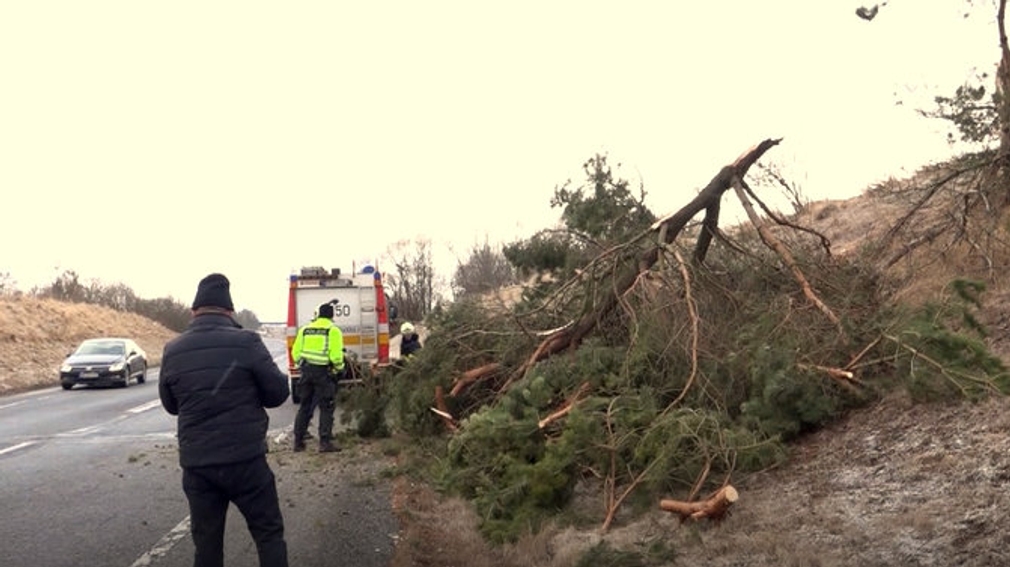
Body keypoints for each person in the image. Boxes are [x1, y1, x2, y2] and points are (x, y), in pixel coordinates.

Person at [159, 273, 290, 567]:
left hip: (199, 466)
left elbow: (170, 405)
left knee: (206, 544)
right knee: (268, 533)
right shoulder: (247, 342)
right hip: (246, 462)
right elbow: (278, 394)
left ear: (194, 311)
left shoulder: (173, 349)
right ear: (229, 311)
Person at [290, 301, 345, 453]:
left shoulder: (305, 330)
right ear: (332, 316)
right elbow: (336, 357)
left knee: (305, 406)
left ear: (319, 314)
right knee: (326, 406)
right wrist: (339, 368)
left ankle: (298, 442)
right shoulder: (333, 330)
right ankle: (325, 442)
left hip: (306, 372)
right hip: (323, 373)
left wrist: (303, 364)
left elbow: (295, 353)